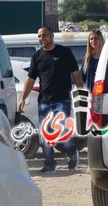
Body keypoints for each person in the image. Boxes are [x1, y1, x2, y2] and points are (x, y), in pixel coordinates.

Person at [18, 26, 85, 173]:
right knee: (44, 135)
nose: (42, 39)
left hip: (62, 100)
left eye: (45, 36)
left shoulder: (65, 53)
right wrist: (23, 98)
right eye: (40, 36)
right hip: (44, 101)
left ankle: (72, 152)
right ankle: (49, 164)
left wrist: (81, 93)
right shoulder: (37, 56)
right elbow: (30, 79)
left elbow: (76, 74)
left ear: (52, 35)